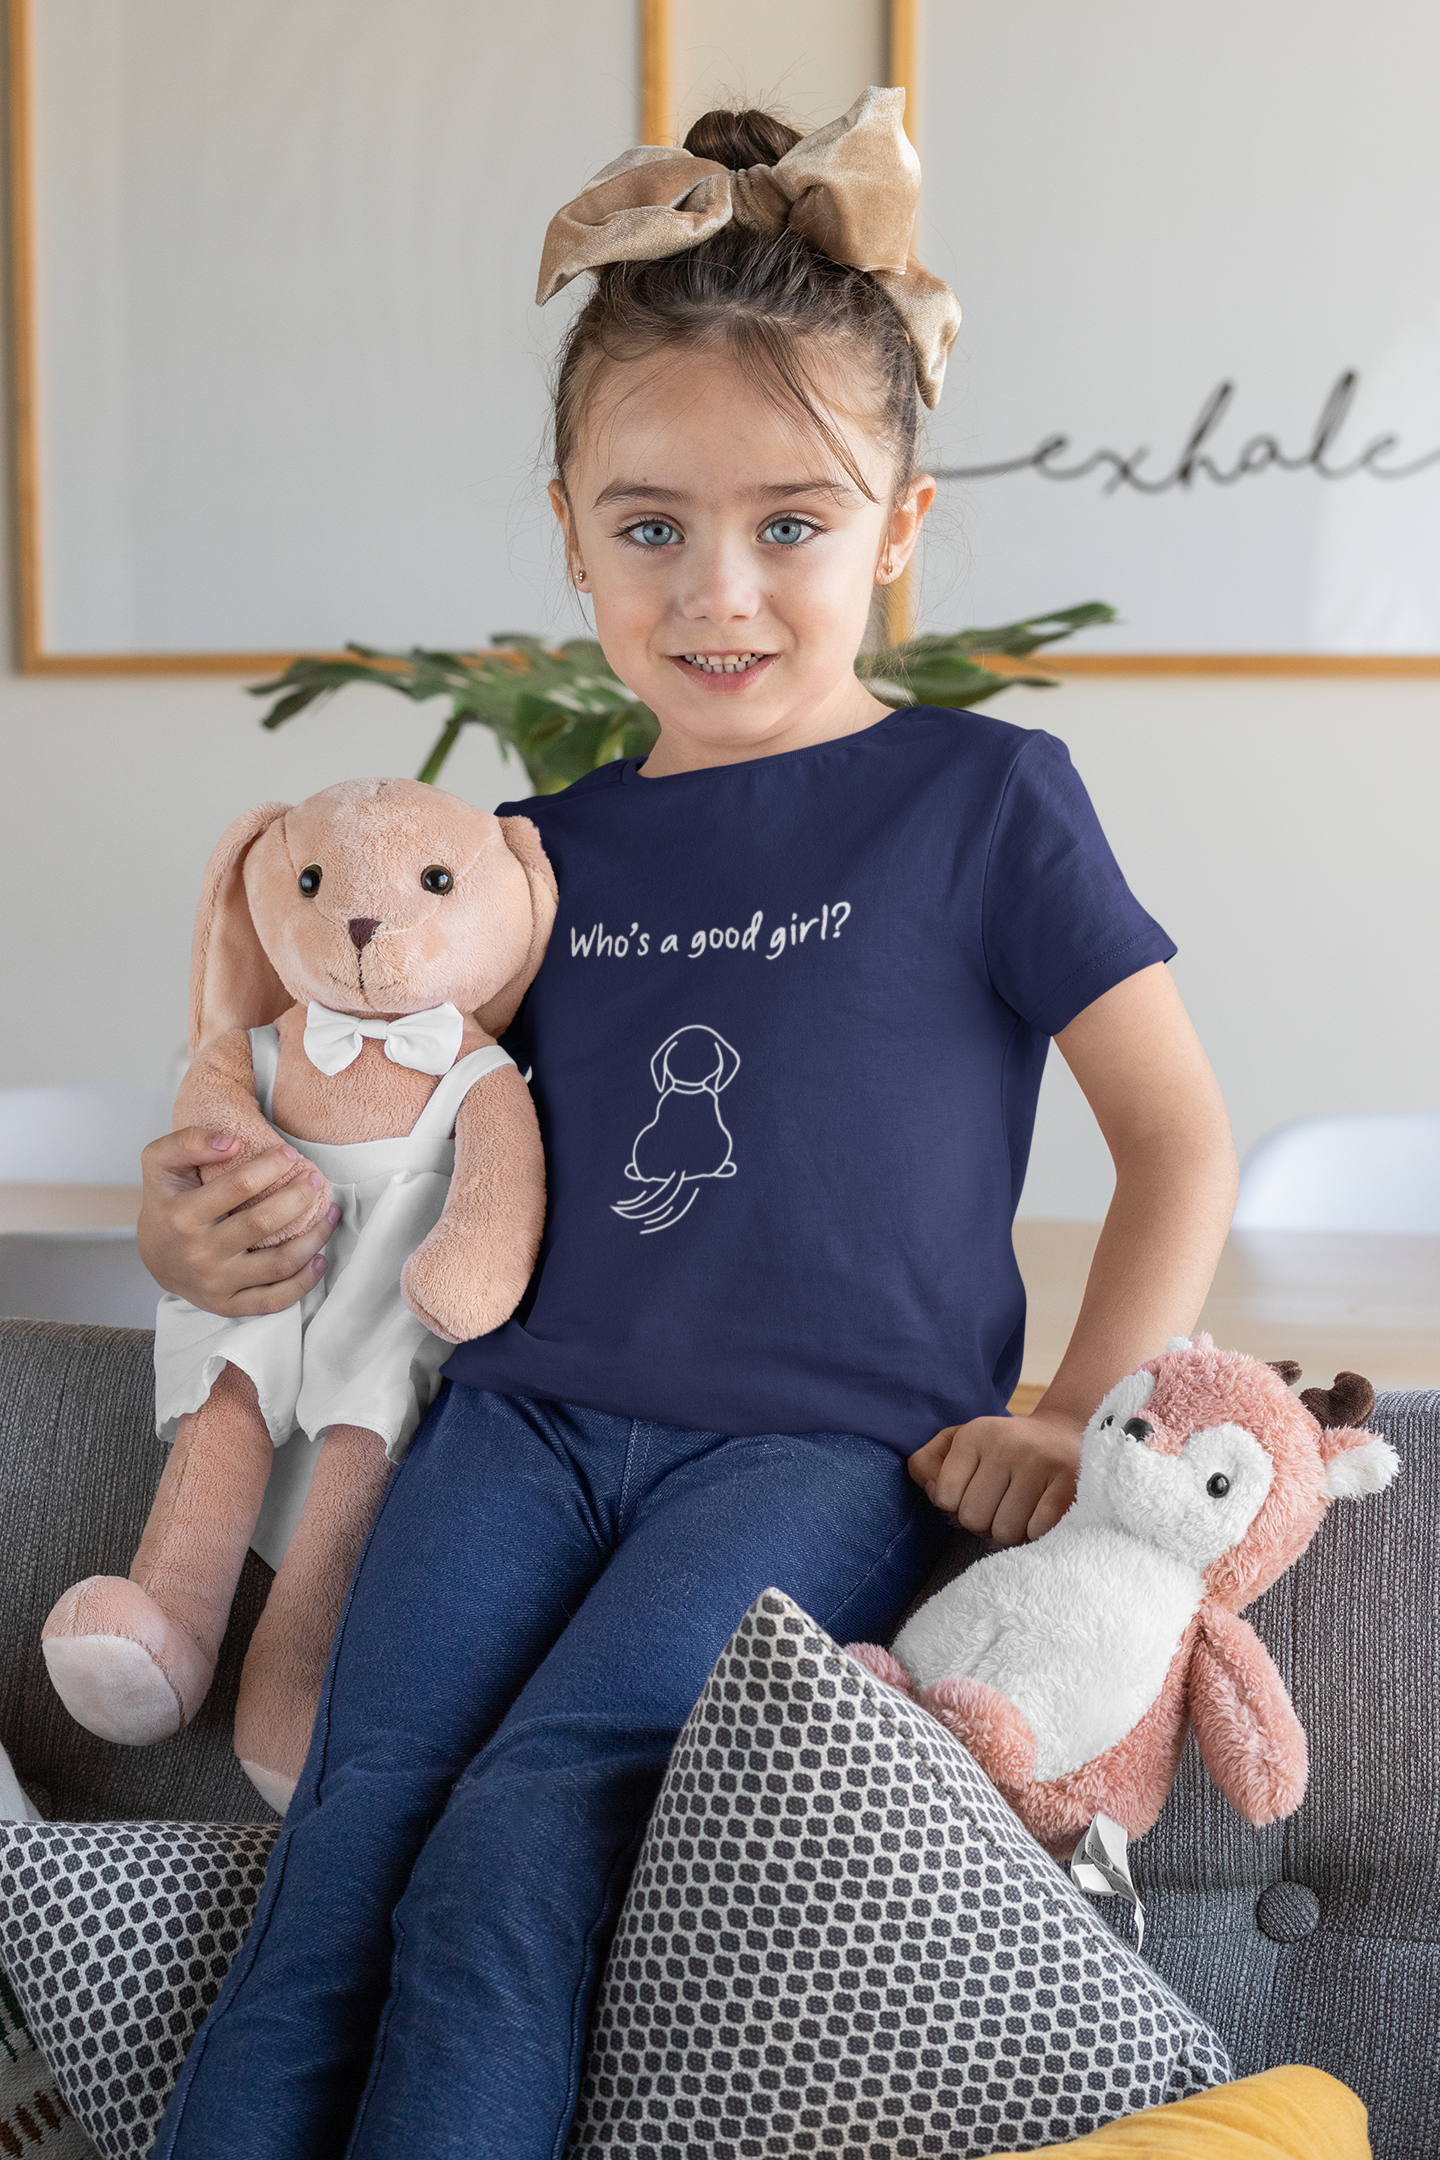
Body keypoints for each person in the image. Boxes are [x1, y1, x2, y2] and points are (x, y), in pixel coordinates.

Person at [141, 92, 1237, 2160]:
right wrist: (204, 1230)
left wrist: (1075, 1411)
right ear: (566, 525)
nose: (715, 589)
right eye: (648, 525)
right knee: (346, 1841)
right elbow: (370, 1138)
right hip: (520, 1430)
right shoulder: (522, 863)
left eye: (790, 525)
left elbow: (1177, 1140)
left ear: (898, 525)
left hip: (821, 1457)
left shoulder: (984, 808)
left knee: (517, 1847)